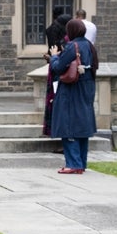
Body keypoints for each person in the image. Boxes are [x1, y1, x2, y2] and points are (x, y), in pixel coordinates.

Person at [48, 19, 98, 174]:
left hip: (71, 90)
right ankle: (81, 163)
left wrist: (54, 56)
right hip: (86, 88)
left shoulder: (72, 46)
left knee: (68, 124)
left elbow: (58, 67)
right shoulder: (89, 45)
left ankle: (73, 163)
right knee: (82, 124)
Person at [42, 13, 71, 137]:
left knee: (57, 102)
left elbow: (61, 63)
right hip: (59, 74)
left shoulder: (67, 42)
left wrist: (53, 57)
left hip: (60, 75)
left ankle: (58, 132)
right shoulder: (66, 40)